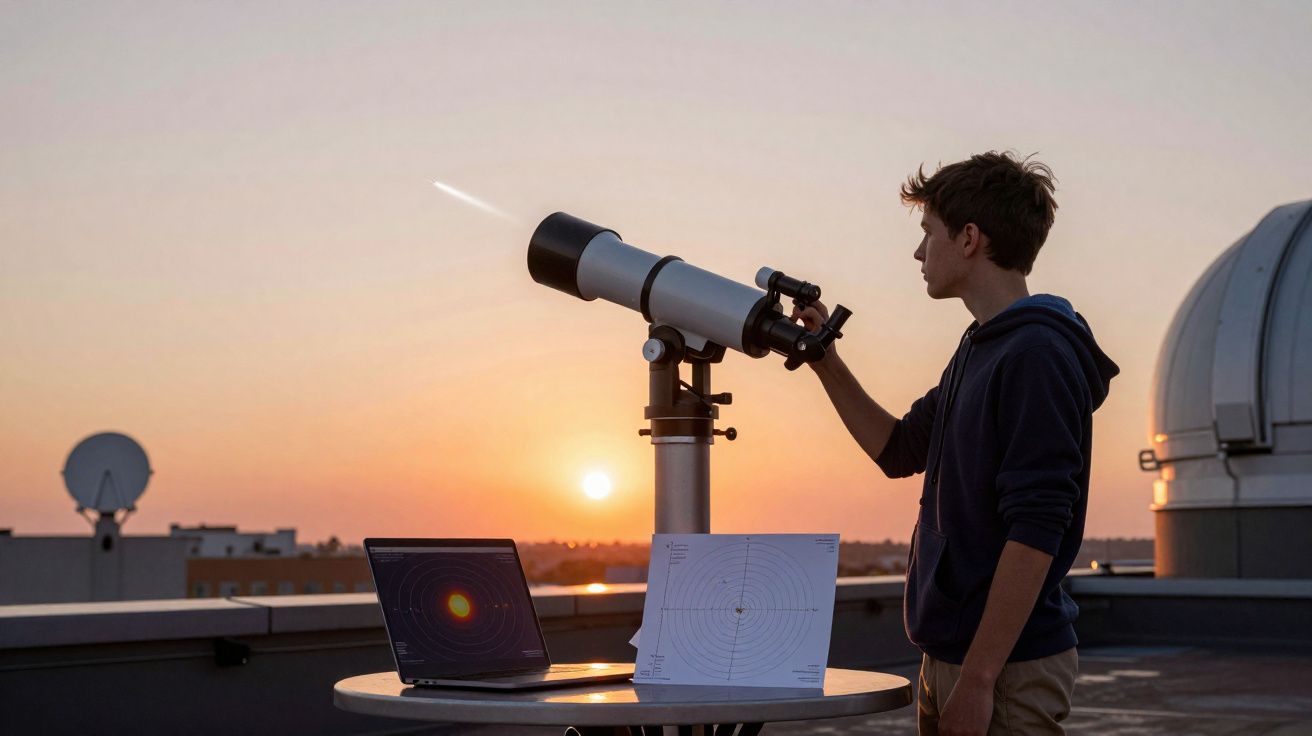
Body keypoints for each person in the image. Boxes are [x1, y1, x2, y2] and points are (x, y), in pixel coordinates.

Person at [793, 151, 1119, 736]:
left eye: (927, 233)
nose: (919, 253)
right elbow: (898, 449)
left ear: (969, 238)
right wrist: (825, 361)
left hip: (1004, 670)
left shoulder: (1034, 356)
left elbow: (1036, 529)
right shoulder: (980, 346)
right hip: (953, 658)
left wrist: (978, 681)